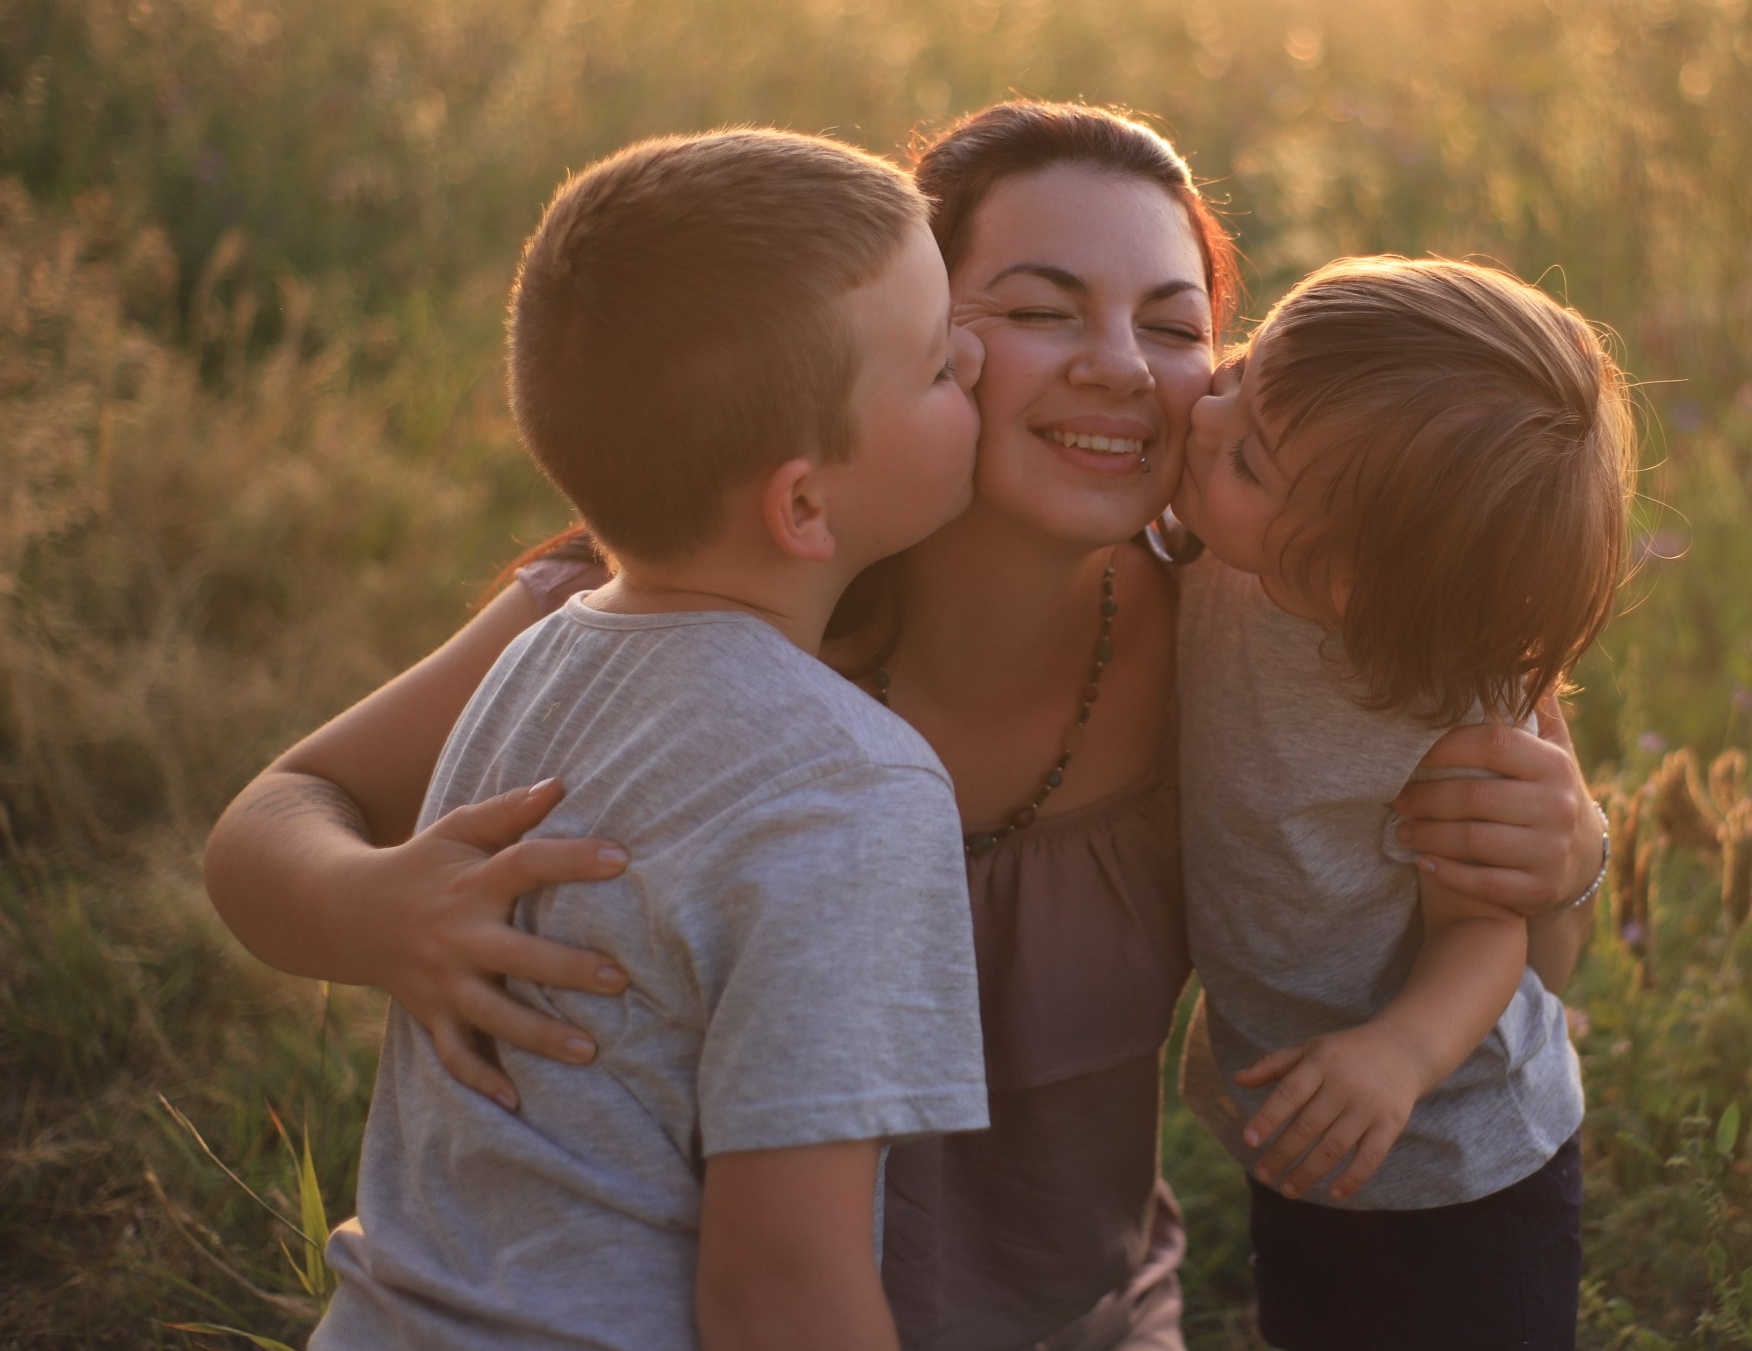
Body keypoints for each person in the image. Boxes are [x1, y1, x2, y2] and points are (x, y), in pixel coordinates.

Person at [205, 102, 1613, 1351]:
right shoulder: (674, 607)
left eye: (1178, 326)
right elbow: (279, 813)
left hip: (1086, 1316)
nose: (1125, 365)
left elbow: (1505, 951)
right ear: (908, 332)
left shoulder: (1259, 623)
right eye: (1043, 307)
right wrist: (378, 908)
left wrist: (1564, 862)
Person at [309, 130, 993, 1351]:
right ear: (802, 505)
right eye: (942, 366)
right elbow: (781, 1291)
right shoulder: (855, 786)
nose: (981, 361)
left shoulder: (538, 660)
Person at [1171, 257, 1633, 1351]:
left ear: (1348, 583)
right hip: (1299, 1123)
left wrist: (1396, 1056)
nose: (1204, 415)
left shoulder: (1444, 701)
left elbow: (1487, 932)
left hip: (1464, 1158)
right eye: (1241, 368)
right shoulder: (1209, 553)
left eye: (1245, 453)